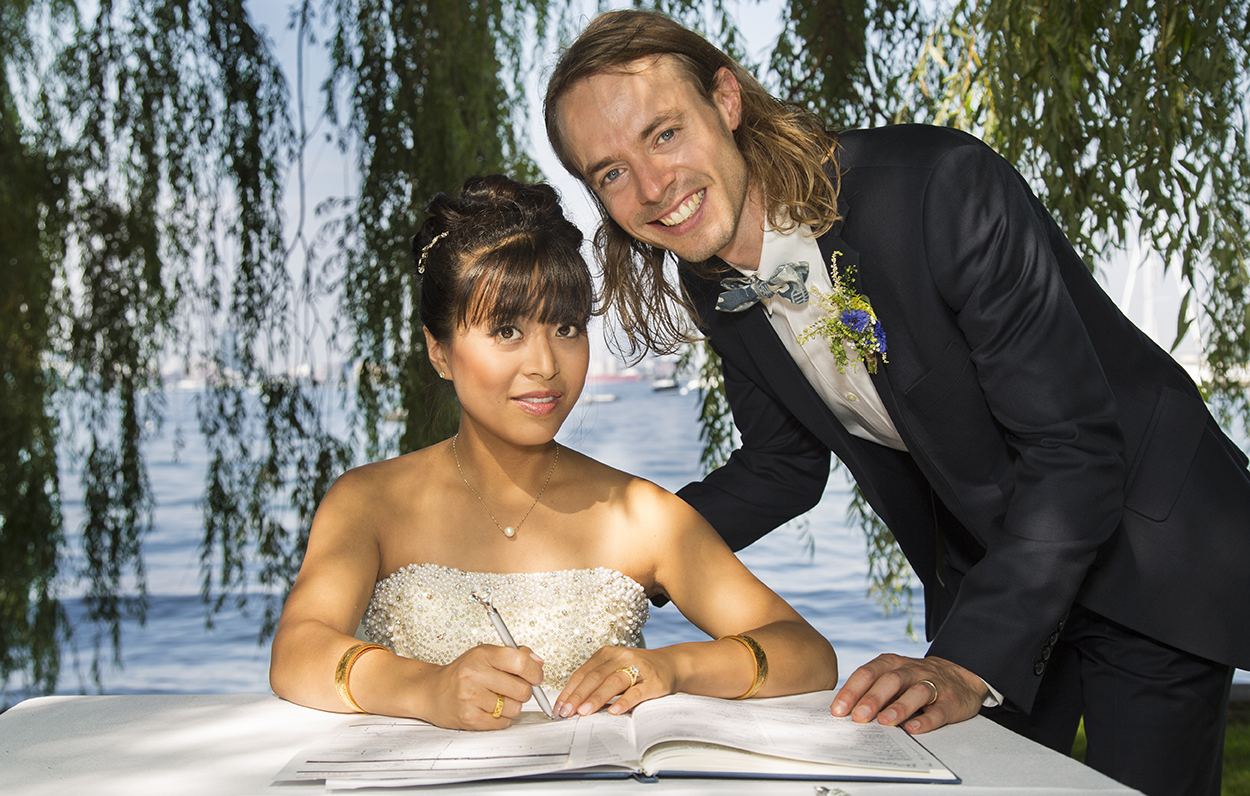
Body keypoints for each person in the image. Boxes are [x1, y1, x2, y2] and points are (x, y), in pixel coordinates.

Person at [542, 9, 1250, 796]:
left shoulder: (939, 189)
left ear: (727, 102)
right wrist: (626, 562)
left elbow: (1074, 450)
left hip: (1149, 541)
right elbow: (783, 466)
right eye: (609, 172)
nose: (650, 187)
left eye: (664, 134)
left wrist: (965, 661)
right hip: (992, 564)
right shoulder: (710, 281)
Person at [268, 174, 837, 731]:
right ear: (439, 351)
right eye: (507, 331)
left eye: (566, 327)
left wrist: (671, 666)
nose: (545, 365)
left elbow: (807, 653)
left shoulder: (643, 515)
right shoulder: (367, 502)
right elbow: (297, 652)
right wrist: (424, 688)